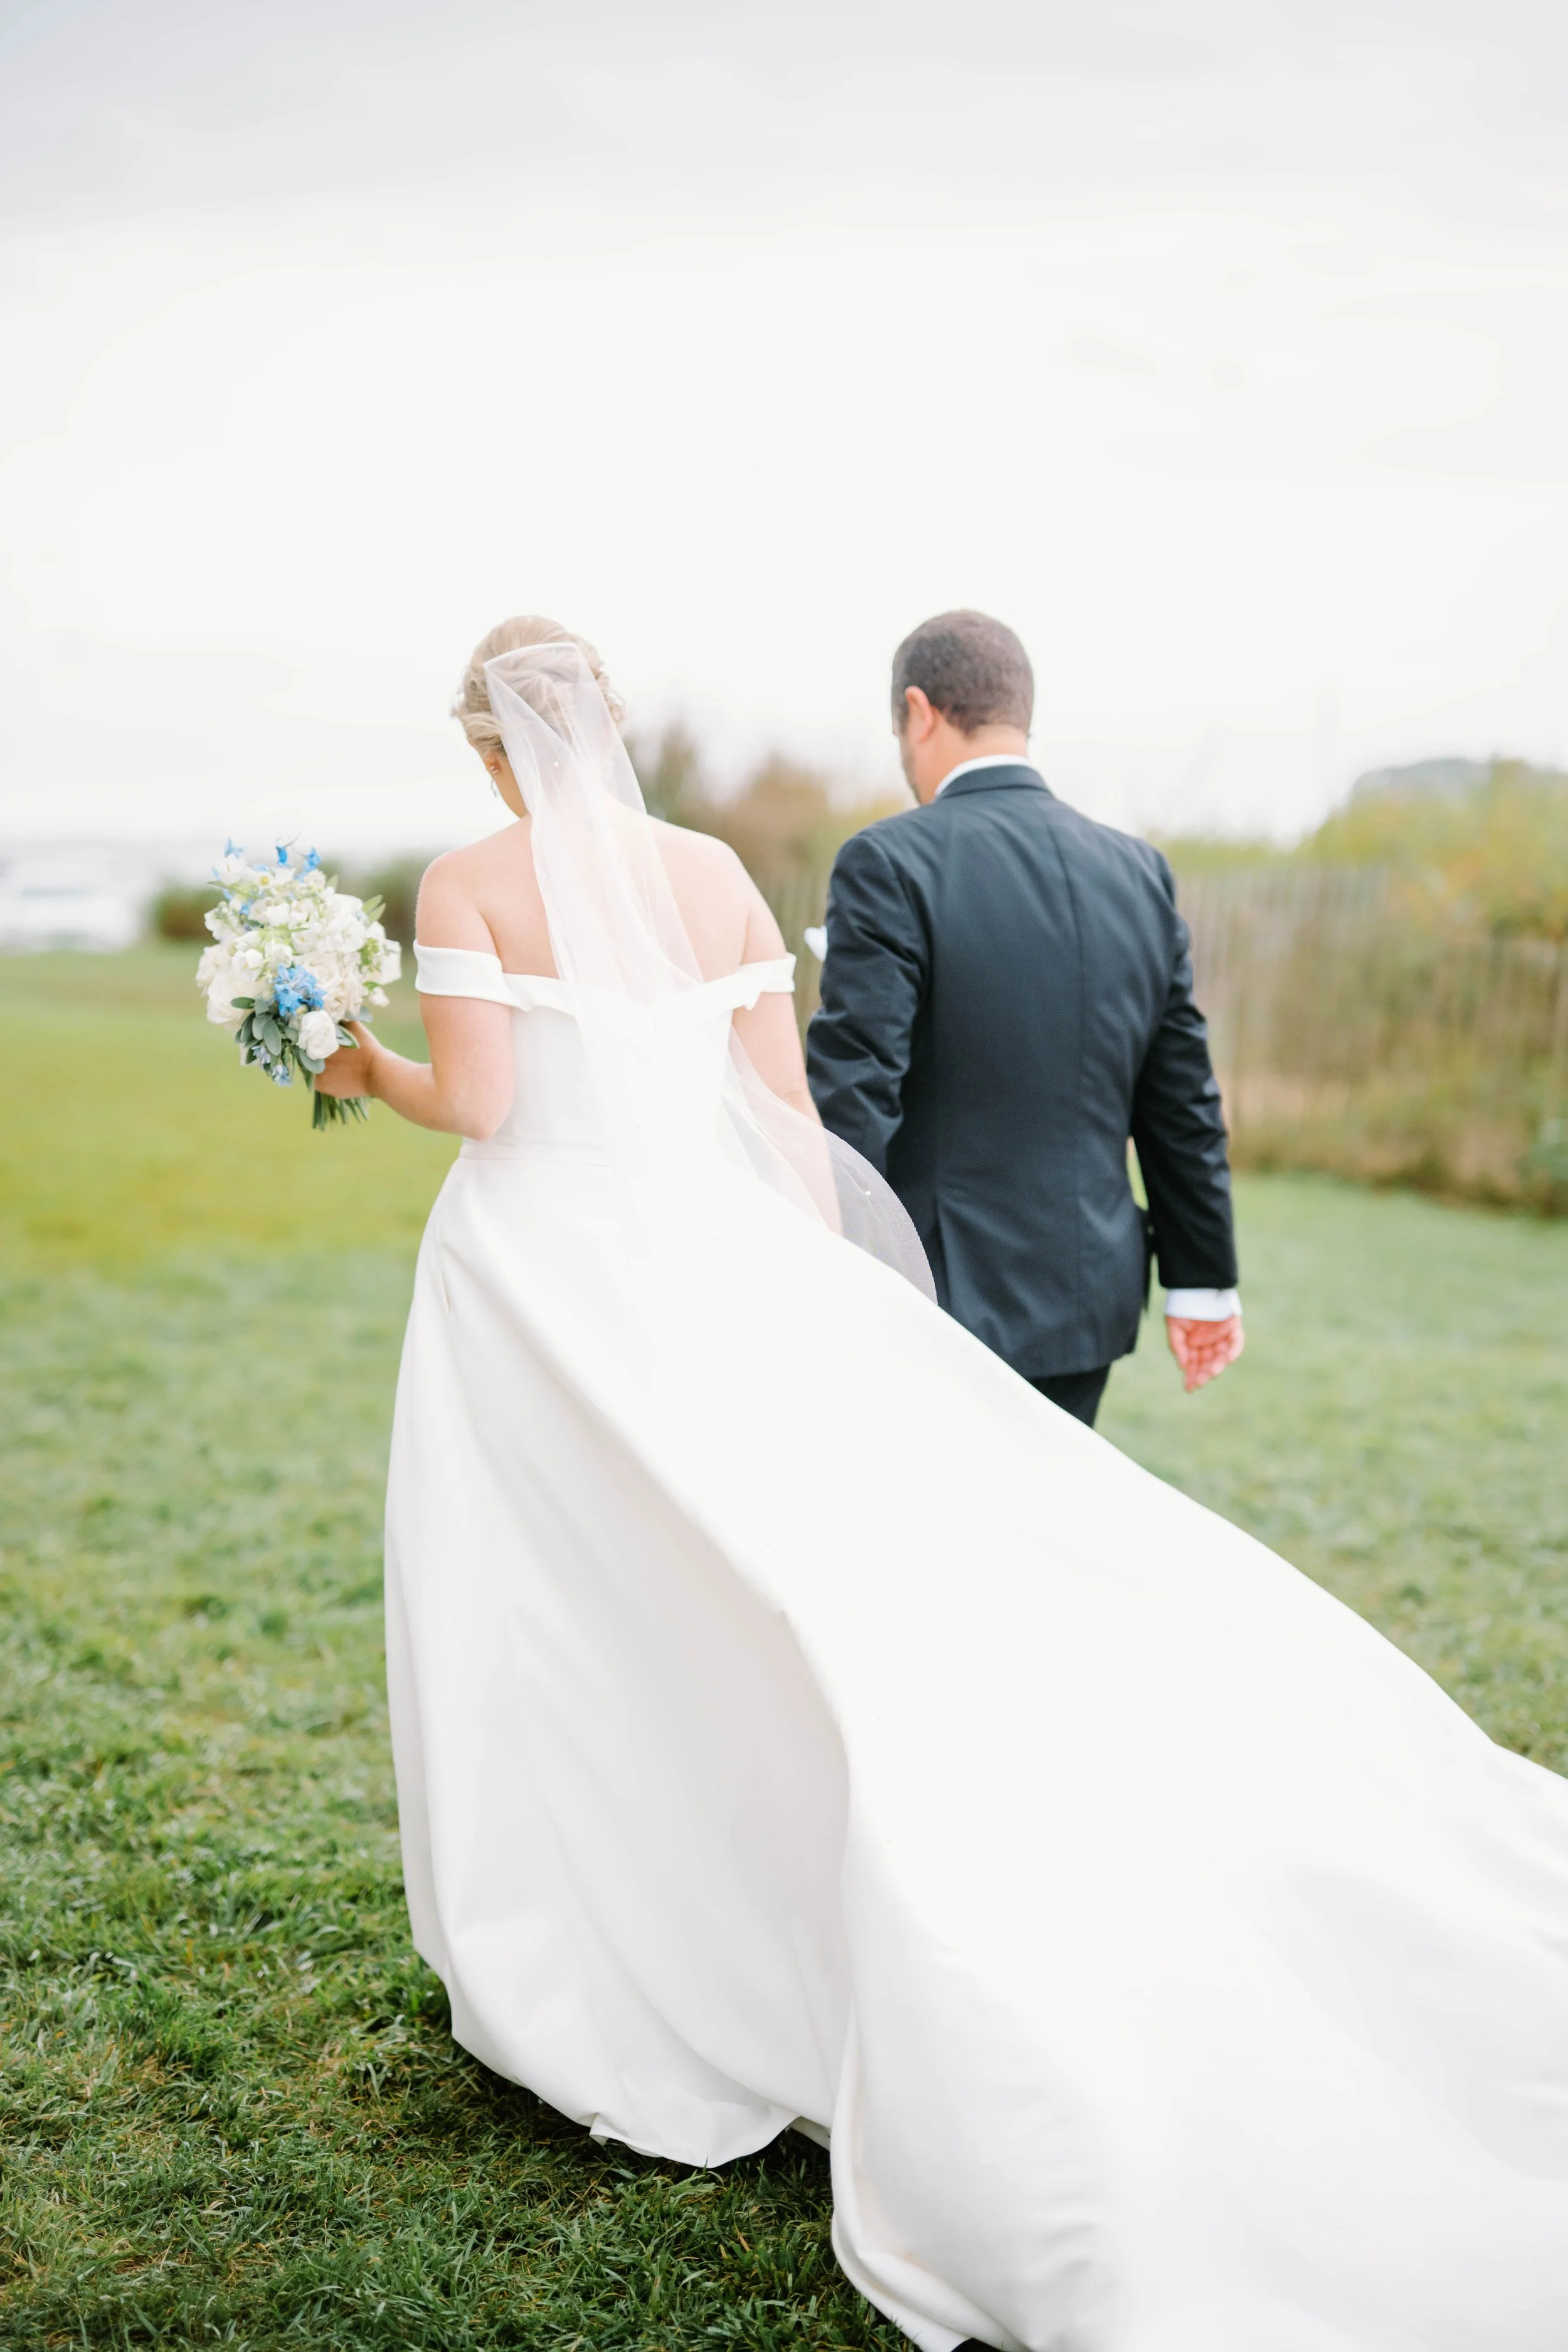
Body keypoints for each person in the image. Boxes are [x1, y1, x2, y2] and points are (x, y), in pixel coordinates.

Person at [315, 614, 1568, 2352]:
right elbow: (797, 1131)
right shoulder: (731, 875)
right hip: (750, 1281)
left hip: (545, 1280)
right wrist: (834, 1312)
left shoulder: (468, 879)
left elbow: (481, 1098)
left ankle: (608, 1946)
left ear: (488, 746)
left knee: (560, 1595)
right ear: (614, 726)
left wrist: (342, 1057)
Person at [808, 608, 1242, 1429]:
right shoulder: (1137, 871)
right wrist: (1202, 1282)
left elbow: (854, 1094)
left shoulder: (889, 861)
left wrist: (828, 1266)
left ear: (919, 711)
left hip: (932, 1299)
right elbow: (1181, 1100)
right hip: (1087, 1307)